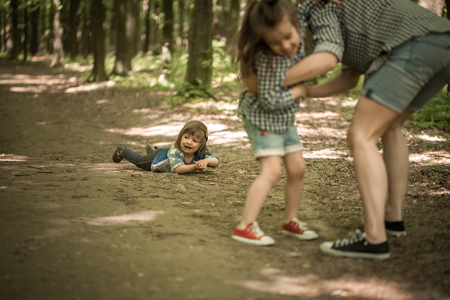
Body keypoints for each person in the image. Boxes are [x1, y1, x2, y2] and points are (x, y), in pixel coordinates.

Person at [279, 0, 450, 259]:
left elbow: (327, 58)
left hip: (412, 45)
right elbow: (350, 76)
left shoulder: (319, 4)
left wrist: (270, 80)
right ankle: (392, 218)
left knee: (361, 135)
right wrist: (307, 91)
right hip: (442, 42)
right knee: (390, 127)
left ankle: (373, 237)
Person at [231, 0, 318, 246]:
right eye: (275, 42)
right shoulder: (268, 59)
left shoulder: (295, 27)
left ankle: (290, 221)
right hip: (262, 117)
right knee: (272, 170)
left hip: (285, 118)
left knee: (298, 168)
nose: (285, 45)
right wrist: (297, 91)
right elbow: (268, 100)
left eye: (289, 37)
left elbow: (306, 11)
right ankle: (245, 226)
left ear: (295, 25)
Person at [112, 120, 219, 174]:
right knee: (140, 160)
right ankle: (122, 152)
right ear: (180, 137)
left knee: (162, 152)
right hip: (156, 160)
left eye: (194, 140)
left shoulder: (200, 153)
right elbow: (178, 169)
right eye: (186, 137)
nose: (189, 142)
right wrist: (195, 167)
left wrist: (206, 161)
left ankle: (155, 151)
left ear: (201, 145)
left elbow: (216, 161)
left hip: (166, 154)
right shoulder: (176, 151)